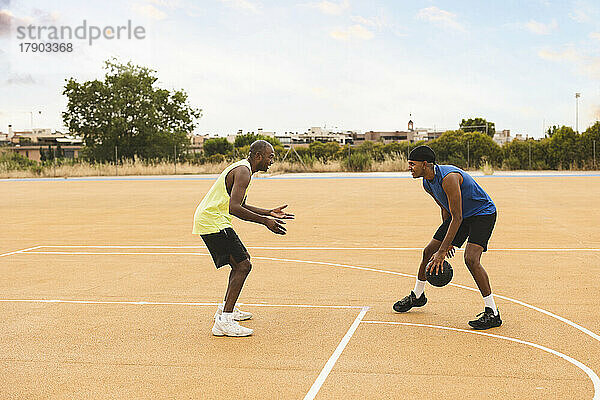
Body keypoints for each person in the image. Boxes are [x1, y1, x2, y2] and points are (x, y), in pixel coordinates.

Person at [393, 145, 502, 330]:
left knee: (471, 259)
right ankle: (418, 296)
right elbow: (446, 209)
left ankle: (493, 312)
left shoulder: (449, 178)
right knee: (428, 252)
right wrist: (447, 240)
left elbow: (457, 216)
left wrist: (444, 250)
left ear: (424, 164)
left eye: (412, 164)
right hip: (460, 216)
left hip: (482, 214)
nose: (409, 167)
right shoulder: (427, 183)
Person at [193, 140, 294, 337]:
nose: (271, 161)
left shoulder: (244, 170)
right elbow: (235, 208)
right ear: (258, 156)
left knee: (241, 262)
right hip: (212, 221)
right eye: (270, 156)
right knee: (243, 265)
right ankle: (225, 320)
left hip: (215, 220)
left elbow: (241, 203)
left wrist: (269, 212)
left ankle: (225, 310)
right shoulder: (243, 172)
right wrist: (265, 222)